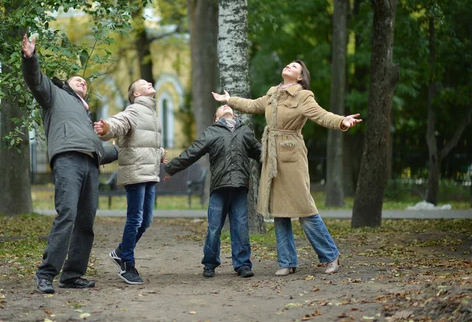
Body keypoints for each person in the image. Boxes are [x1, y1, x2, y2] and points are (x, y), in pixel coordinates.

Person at [212, 60, 362, 276]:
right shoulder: (273, 93)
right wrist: (229, 100)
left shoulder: (303, 96)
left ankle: (330, 255)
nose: (288, 67)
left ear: (300, 77)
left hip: (292, 156)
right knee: (279, 209)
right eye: (288, 65)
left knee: (304, 208)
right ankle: (287, 262)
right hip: (272, 156)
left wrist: (341, 121)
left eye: (294, 67)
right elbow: (253, 105)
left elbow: (321, 115)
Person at [21, 34, 119, 294]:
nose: (82, 81)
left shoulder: (87, 117)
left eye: (85, 81)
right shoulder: (54, 95)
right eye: (77, 78)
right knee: (67, 216)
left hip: (90, 165)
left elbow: (102, 151)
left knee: (86, 222)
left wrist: (124, 150)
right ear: (66, 84)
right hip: (67, 160)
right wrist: (30, 58)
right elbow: (35, 80)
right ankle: (46, 273)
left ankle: (72, 275)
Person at [164, 105, 261, 279]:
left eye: (228, 105)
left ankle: (243, 265)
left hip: (240, 187)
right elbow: (191, 153)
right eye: (220, 107)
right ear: (216, 119)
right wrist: (170, 169)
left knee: (241, 227)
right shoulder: (211, 132)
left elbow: (261, 154)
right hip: (219, 188)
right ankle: (209, 263)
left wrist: (280, 163)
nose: (225, 106)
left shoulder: (245, 131)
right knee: (214, 228)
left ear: (235, 114)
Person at [94, 79, 165, 285]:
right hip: (135, 173)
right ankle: (127, 264)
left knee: (146, 221)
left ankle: (120, 251)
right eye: (144, 83)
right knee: (135, 219)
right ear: (136, 94)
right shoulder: (134, 110)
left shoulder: (152, 114)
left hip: (149, 173)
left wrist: (160, 153)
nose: (150, 82)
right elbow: (118, 123)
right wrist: (107, 128)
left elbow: (144, 142)